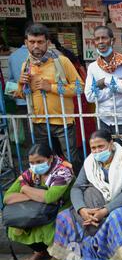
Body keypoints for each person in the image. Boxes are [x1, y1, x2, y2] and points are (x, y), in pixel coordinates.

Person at [48, 130, 122, 260]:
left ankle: (119, 259)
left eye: (101, 146)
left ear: (111, 144)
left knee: (115, 216)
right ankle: (62, 257)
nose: (97, 151)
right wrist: (82, 210)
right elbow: (77, 187)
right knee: (64, 216)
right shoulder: (90, 162)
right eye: (93, 148)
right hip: (93, 206)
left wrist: (105, 210)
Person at [16, 23, 84, 174]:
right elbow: (22, 95)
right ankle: (51, 187)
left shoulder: (62, 61)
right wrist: (21, 84)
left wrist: (51, 87)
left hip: (63, 121)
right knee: (45, 160)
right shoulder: (26, 65)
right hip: (39, 121)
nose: (36, 46)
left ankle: (75, 188)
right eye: (32, 42)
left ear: (47, 42)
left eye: (40, 42)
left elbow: (80, 87)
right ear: (26, 43)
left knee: (70, 159)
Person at [3, 143, 74, 260]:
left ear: (50, 158)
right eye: (32, 162)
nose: (35, 166)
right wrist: (33, 195)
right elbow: (7, 197)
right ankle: (40, 251)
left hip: (64, 205)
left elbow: (50, 197)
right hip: (40, 206)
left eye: (39, 161)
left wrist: (25, 188)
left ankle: (57, 254)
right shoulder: (30, 173)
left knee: (49, 224)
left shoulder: (64, 171)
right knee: (16, 224)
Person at [84, 26, 122, 151]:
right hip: (103, 119)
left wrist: (105, 82)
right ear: (94, 43)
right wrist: (117, 84)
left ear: (112, 41)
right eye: (97, 39)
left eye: (104, 38)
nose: (101, 42)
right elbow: (90, 96)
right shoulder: (93, 67)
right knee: (106, 155)